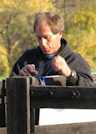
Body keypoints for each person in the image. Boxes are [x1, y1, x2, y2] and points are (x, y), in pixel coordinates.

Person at [10, 11, 94, 87]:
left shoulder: (74, 60)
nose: (42, 43)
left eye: (47, 38)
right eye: (39, 38)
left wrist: (70, 74)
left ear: (60, 34)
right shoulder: (27, 58)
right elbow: (9, 89)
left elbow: (90, 90)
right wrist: (21, 79)